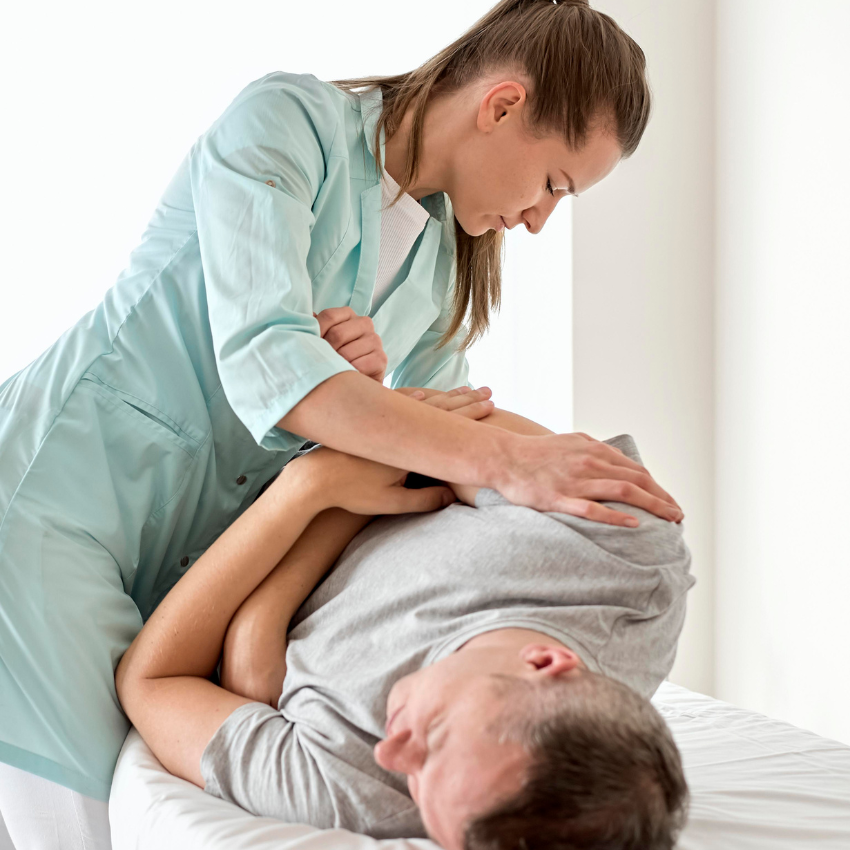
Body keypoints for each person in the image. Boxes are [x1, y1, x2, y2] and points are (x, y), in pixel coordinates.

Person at [0, 0, 683, 845]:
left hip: (187, 560)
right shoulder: (287, 124)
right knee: (91, 816)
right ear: (502, 105)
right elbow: (276, 367)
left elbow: (422, 451)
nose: (541, 220)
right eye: (553, 184)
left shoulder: (439, 264)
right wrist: (496, 455)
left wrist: (401, 433)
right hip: (55, 503)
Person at [116, 401, 693, 850]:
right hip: (267, 413)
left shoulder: (345, 792)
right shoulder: (622, 549)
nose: (390, 754)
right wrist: (264, 608)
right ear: (545, 663)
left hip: (145, 540)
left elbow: (151, 681)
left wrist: (308, 496)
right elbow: (426, 421)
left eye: (417, 790)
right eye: (435, 736)